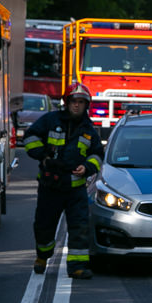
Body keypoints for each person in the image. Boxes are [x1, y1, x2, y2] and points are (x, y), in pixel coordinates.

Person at [24, 82, 104, 279]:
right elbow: (30, 136)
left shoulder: (89, 130)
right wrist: (42, 154)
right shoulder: (50, 120)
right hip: (50, 187)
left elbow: (97, 154)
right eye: (73, 101)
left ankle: (77, 266)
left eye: (81, 102)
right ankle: (43, 256)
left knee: (79, 227)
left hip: (75, 189)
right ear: (66, 102)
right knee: (44, 225)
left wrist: (87, 167)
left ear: (87, 105)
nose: (77, 105)